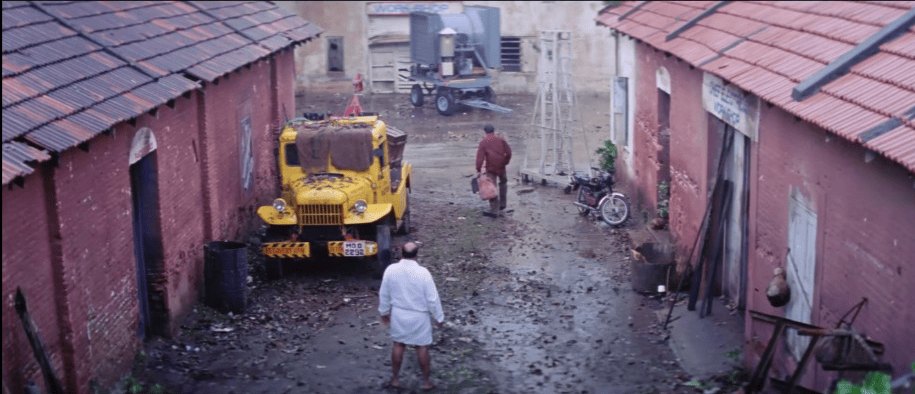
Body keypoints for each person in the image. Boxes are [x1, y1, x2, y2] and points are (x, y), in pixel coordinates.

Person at [378, 242, 445, 391]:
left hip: (399, 315)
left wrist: (384, 312)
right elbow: (432, 299)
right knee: (422, 347)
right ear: (417, 254)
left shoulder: (391, 270)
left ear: (401, 253)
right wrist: (439, 317)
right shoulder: (423, 273)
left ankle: (395, 379)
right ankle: (426, 382)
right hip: (419, 316)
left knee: (398, 344)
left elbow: (384, 293)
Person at [475, 124, 512, 217]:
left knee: (491, 187)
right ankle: (503, 204)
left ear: (485, 132)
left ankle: (494, 210)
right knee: (503, 183)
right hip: (501, 166)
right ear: (493, 131)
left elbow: (480, 158)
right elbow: (509, 152)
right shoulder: (501, 140)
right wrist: (505, 162)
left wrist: (478, 169)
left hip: (491, 167)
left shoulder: (483, 142)